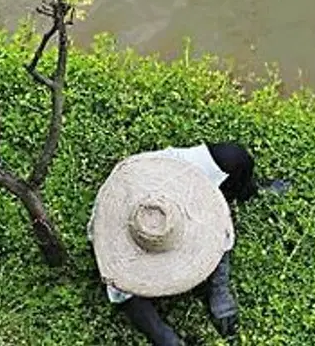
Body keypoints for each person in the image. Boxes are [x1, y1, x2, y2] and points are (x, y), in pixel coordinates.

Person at [87, 141, 288, 345]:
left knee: (234, 156)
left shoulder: (180, 168)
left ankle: (249, 191)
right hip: (135, 222)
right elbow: (124, 297)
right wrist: (167, 340)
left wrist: (220, 291)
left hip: (160, 183)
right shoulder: (113, 252)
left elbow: (222, 235)